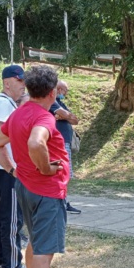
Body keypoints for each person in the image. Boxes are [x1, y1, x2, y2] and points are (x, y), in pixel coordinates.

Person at [0, 65, 70, 268]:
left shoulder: (18, 112)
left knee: (35, 245)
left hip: (25, 188)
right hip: (46, 192)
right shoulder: (44, 118)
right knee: (44, 253)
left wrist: (13, 169)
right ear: (51, 93)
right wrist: (47, 169)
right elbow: (37, 143)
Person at [0, 65, 27, 268]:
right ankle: (12, 266)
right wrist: (11, 169)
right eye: (20, 81)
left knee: (2, 216)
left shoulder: (3, 103)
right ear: (7, 83)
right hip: (3, 170)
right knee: (12, 219)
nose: (23, 85)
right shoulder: (3, 104)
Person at [49, 80, 81, 214]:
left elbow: (75, 120)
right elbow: (68, 116)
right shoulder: (52, 102)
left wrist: (65, 116)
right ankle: (60, 200)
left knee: (66, 173)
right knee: (62, 173)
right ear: (59, 89)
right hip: (59, 142)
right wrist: (65, 116)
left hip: (65, 142)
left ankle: (63, 199)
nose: (65, 93)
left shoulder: (61, 104)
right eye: (65, 90)